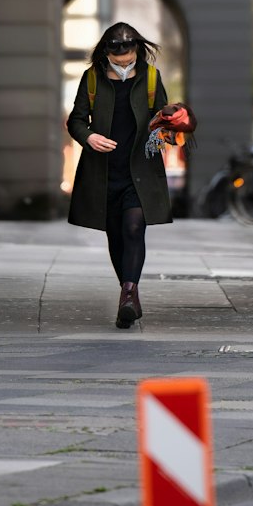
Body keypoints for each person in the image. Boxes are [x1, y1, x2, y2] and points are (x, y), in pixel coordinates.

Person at [66, 21, 171, 328]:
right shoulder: (92, 78)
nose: (125, 64)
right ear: (107, 54)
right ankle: (128, 291)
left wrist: (171, 123)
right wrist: (89, 137)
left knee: (134, 227)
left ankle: (129, 294)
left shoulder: (151, 77)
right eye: (118, 60)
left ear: (137, 50)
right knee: (115, 234)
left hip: (140, 169)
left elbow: (163, 119)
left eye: (129, 58)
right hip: (104, 172)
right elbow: (75, 120)